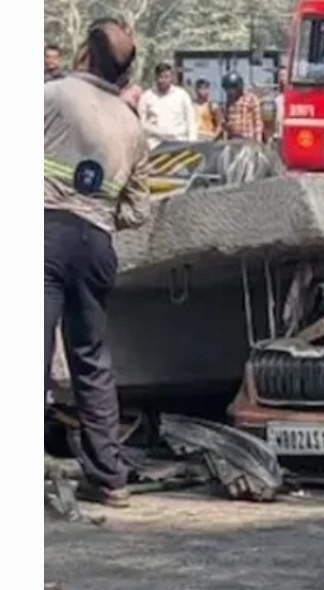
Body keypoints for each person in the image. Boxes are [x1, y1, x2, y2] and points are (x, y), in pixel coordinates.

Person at [45, 18, 152, 508]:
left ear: (85, 54)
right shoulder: (131, 125)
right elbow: (138, 210)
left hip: (45, 233)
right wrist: (99, 209)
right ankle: (109, 478)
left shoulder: (51, 96)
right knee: (90, 359)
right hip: (96, 245)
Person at [137, 62, 198, 147]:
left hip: (178, 142)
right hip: (154, 143)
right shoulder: (146, 96)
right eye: (161, 77)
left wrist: (192, 143)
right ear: (156, 78)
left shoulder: (182, 95)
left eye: (166, 77)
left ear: (171, 78)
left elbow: (191, 121)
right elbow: (141, 122)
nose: (163, 80)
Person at [221, 72, 264, 142]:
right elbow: (226, 121)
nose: (230, 92)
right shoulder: (229, 101)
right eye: (227, 90)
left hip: (248, 139)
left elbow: (257, 121)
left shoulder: (251, 98)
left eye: (231, 89)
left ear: (238, 87)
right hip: (233, 139)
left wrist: (258, 140)